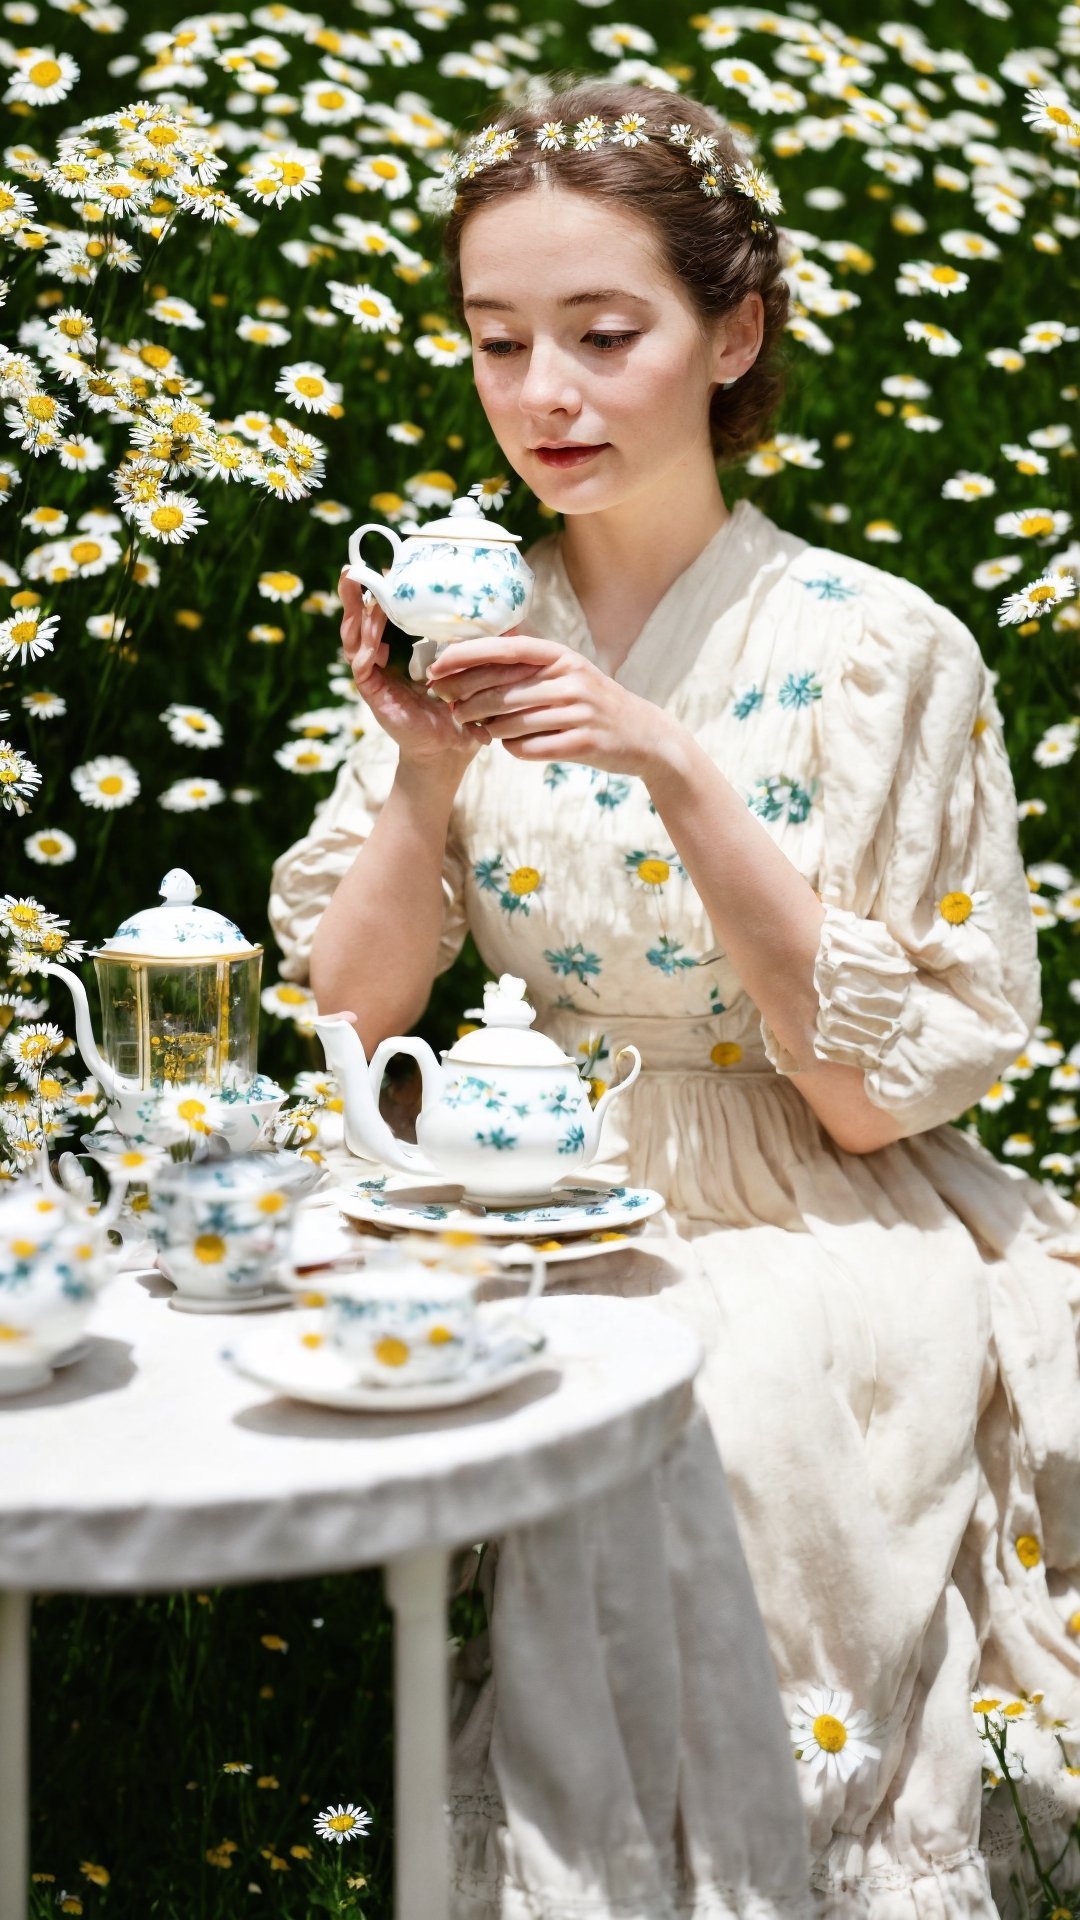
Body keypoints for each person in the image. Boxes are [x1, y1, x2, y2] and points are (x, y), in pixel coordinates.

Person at [270, 80, 1080, 1920]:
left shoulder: (883, 649)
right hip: (507, 1171)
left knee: (721, 1405)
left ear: (733, 334)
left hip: (794, 1189)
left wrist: (679, 771)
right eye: (496, 343)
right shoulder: (465, 628)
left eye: (602, 336)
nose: (541, 396)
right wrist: (415, 772)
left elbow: (876, 1100)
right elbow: (354, 1018)